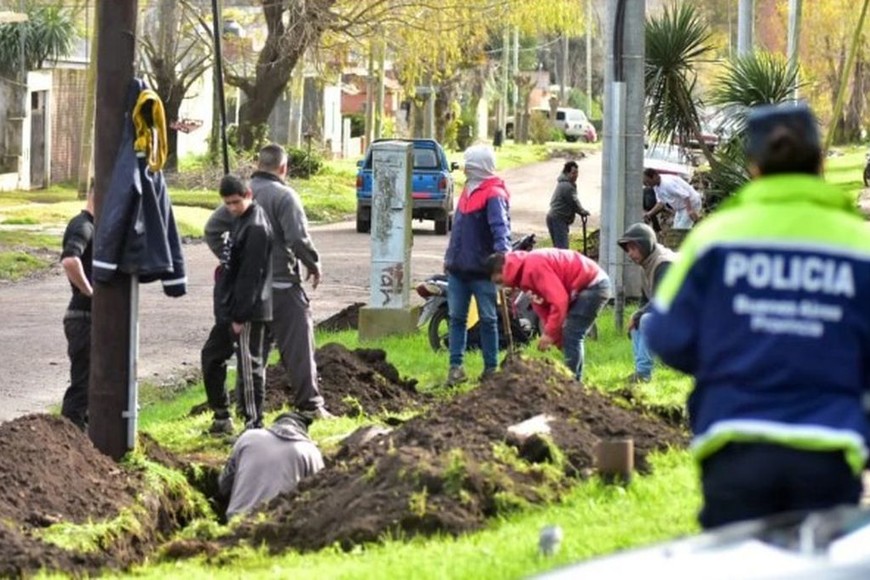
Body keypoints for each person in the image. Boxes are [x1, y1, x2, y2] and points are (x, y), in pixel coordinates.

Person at [646, 103, 870, 529]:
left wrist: (729, 358)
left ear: (753, 166)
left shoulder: (713, 240)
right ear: (820, 161)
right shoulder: (859, 245)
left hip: (734, 444)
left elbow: (666, 335)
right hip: (830, 450)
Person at [205, 144, 333, 420]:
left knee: (252, 354)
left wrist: (230, 261)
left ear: (257, 163)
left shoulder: (242, 194)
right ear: (283, 168)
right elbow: (297, 238)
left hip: (252, 293)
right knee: (299, 343)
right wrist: (313, 263)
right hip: (283, 285)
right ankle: (310, 405)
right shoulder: (285, 196)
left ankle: (246, 410)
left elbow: (212, 230)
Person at [201, 175, 273, 433]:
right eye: (227, 204)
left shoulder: (255, 227)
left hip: (249, 311)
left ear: (248, 195)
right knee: (212, 356)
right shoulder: (240, 221)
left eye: (235, 202)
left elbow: (250, 276)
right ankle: (222, 417)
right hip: (231, 307)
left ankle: (254, 425)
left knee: (249, 365)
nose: (231, 208)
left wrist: (240, 316)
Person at [443, 144, 511, 385]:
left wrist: (504, 263)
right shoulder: (467, 190)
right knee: (457, 319)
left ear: (478, 166)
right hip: (458, 270)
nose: (465, 169)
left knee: (489, 319)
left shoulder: (494, 194)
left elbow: (500, 231)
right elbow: (458, 231)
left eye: (469, 165)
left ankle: (491, 369)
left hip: (483, 272)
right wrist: (449, 258)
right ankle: (455, 368)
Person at [486, 249, 611, 381]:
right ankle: (571, 379)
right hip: (582, 286)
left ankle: (573, 383)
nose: (501, 286)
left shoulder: (534, 266)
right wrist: (555, 338)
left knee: (572, 334)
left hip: (593, 284)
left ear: (501, 271)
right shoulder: (522, 275)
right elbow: (543, 306)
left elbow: (559, 300)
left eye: (498, 281)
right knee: (568, 337)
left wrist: (549, 334)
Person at [218, 412, 324, 519]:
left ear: (275, 424)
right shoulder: (310, 451)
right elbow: (319, 496)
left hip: (236, 520)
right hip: (277, 525)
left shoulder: (248, 437)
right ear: (303, 431)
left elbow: (224, 484)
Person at [617, 222, 676, 385]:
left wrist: (637, 316)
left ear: (645, 244)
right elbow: (646, 299)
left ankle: (644, 373)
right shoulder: (648, 264)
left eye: (633, 248)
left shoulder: (664, 264)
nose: (630, 254)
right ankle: (640, 371)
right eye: (628, 249)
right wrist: (635, 317)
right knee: (637, 321)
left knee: (645, 319)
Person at [59, 190, 95, 430]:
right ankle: (67, 440)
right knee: (82, 385)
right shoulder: (83, 226)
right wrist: (89, 292)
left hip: (89, 318)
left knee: (92, 384)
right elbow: (70, 260)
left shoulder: (93, 226)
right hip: (82, 317)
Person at [546, 160, 590, 249]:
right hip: (558, 218)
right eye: (573, 173)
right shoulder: (567, 187)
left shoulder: (565, 184)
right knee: (562, 248)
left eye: (577, 173)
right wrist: (582, 211)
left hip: (555, 217)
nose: (576, 175)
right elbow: (574, 202)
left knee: (559, 248)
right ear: (567, 173)